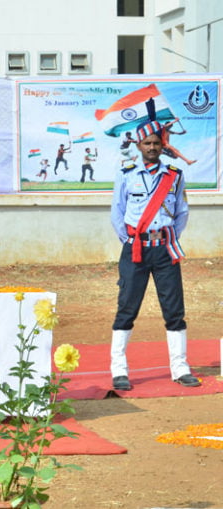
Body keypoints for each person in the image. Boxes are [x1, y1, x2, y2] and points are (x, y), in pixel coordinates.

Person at [109, 120, 200, 391]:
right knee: (127, 308)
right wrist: (129, 240)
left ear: (163, 146)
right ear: (138, 146)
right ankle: (119, 370)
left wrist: (166, 238)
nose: (151, 147)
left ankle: (180, 368)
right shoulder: (126, 173)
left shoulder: (174, 174)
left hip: (165, 250)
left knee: (174, 310)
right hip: (135, 249)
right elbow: (117, 211)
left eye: (156, 143)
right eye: (147, 143)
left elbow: (182, 212)